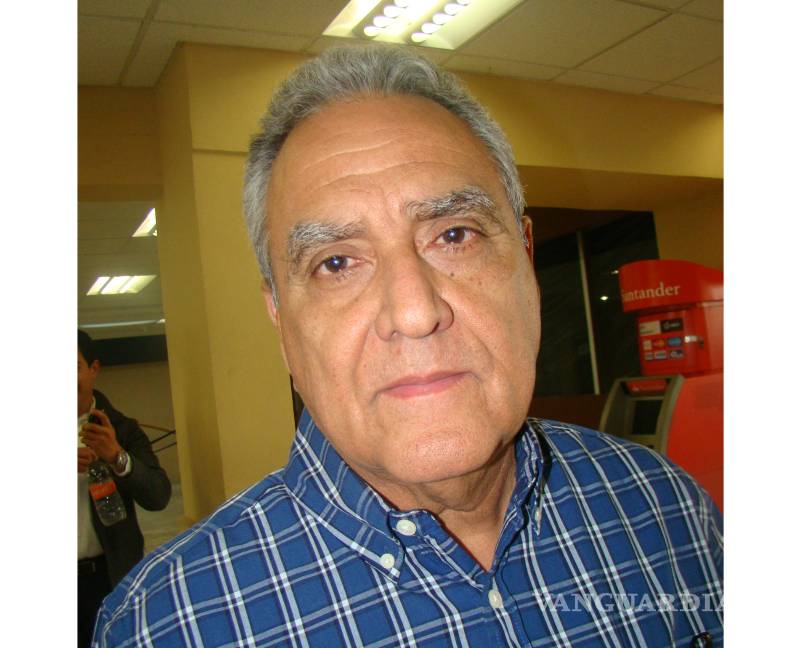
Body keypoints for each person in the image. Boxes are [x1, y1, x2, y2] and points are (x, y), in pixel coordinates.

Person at [92, 45, 722, 647]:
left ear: (526, 262)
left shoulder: (664, 505)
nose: (416, 313)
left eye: (455, 235)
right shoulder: (166, 625)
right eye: (336, 262)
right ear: (280, 319)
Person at [78, 330, 171, 647]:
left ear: (94, 368)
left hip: (108, 576)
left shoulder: (122, 429)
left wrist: (117, 457)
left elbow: (159, 495)